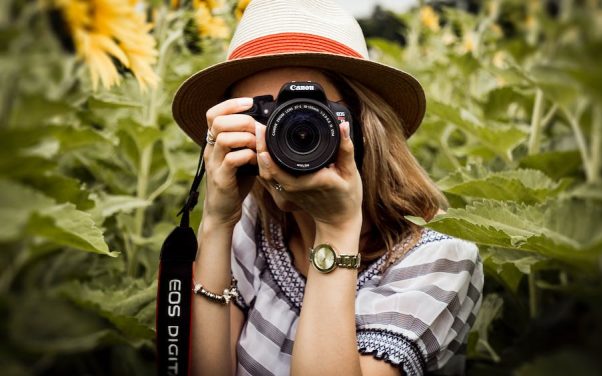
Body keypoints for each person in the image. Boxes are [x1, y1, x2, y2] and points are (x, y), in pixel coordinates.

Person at [171, 1, 483, 375]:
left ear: (364, 125)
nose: (286, 134)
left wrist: (336, 229)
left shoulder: (442, 257)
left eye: (309, 109)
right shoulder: (253, 222)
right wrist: (216, 220)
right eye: (264, 116)